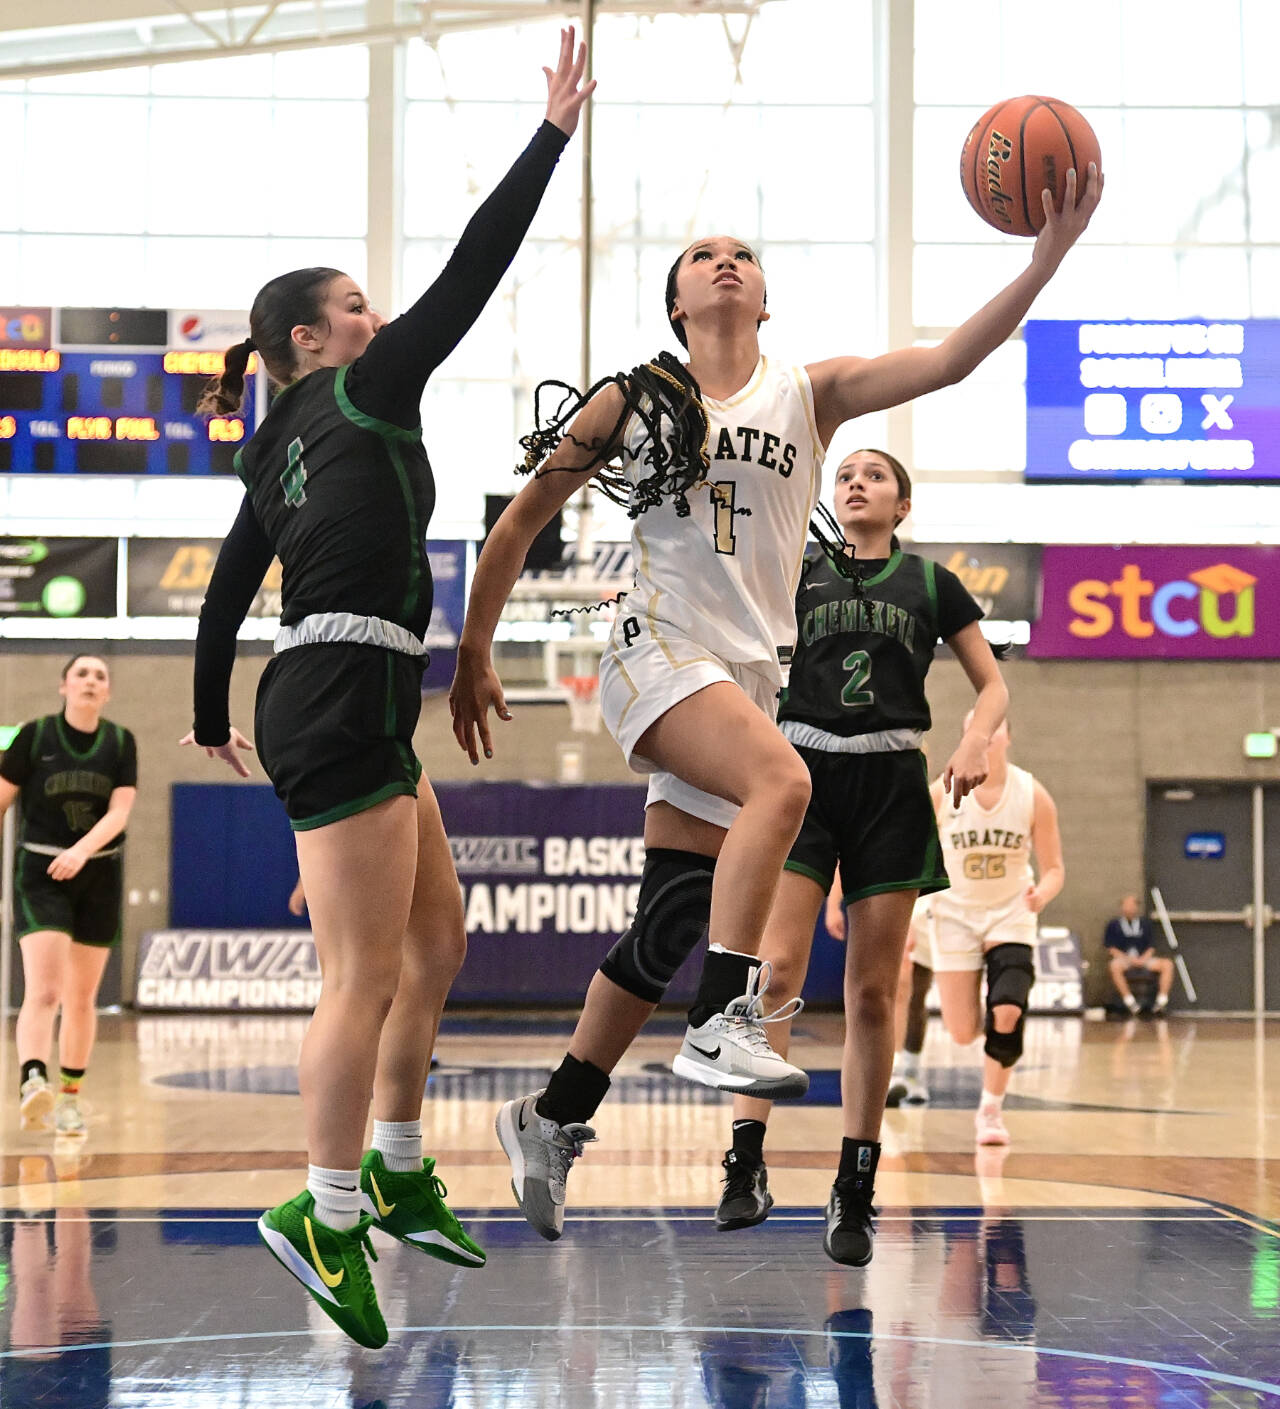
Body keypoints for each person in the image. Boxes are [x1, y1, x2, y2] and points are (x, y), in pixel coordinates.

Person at [450, 165, 1101, 1243]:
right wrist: (474, 647)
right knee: (783, 782)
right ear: (675, 302)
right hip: (656, 646)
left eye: (741, 255)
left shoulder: (808, 393)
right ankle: (724, 1012)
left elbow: (950, 360)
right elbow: (519, 521)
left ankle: (551, 1115)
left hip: (744, 672)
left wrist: (1044, 260)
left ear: (763, 299)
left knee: (667, 920)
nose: (725, 262)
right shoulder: (633, 398)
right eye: (702, 255)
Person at [182, 31, 593, 1349]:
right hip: (339, 686)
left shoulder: (268, 449)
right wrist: (549, 136)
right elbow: (474, 267)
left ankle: (399, 1165)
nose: (378, 316)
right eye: (356, 305)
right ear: (312, 339)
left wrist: (208, 710)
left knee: (437, 947)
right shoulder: (359, 386)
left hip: (349, 688)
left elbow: (225, 592)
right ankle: (322, 1209)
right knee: (359, 973)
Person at [713, 450, 1007, 1267]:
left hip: (892, 780)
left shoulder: (932, 583)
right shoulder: (795, 569)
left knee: (873, 992)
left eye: (874, 475)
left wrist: (976, 740)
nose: (855, 483)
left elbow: (993, 686)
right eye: (845, 474)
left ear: (902, 504)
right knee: (776, 970)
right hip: (802, 772)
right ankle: (745, 1159)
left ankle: (855, 1183)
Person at [0, 655, 137, 1138]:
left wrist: (81, 852)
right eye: (81, 674)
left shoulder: (120, 742)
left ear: (108, 692)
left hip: (98, 873)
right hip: (41, 872)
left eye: (100, 676)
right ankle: (33, 1077)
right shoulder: (34, 736)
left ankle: (70, 1099)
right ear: (64, 686)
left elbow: (119, 813)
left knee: (82, 998)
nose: (90, 681)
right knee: (46, 990)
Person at [929, 716, 1064, 1146]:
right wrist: (915, 912)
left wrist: (1042, 894)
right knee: (962, 1031)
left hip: (1011, 913)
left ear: (1008, 736)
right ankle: (995, 1021)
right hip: (954, 913)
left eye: (994, 728)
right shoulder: (943, 791)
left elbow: (1055, 868)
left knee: (1008, 1009)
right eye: (976, 729)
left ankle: (990, 1109)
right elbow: (913, 853)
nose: (986, 736)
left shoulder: (1032, 793)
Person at [1104, 895, 1172, 1015]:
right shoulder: (1113, 924)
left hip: (1143, 959)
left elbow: (1151, 946)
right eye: (1126, 905)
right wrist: (1129, 959)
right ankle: (1130, 1002)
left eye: (1132, 905)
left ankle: (1161, 1002)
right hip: (1125, 959)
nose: (1129, 908)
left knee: (1167, 964)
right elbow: (1111, 949)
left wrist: (1143, 959)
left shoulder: (1145, 924)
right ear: (1122, 907)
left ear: (1137, 907)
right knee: (1114, 966)